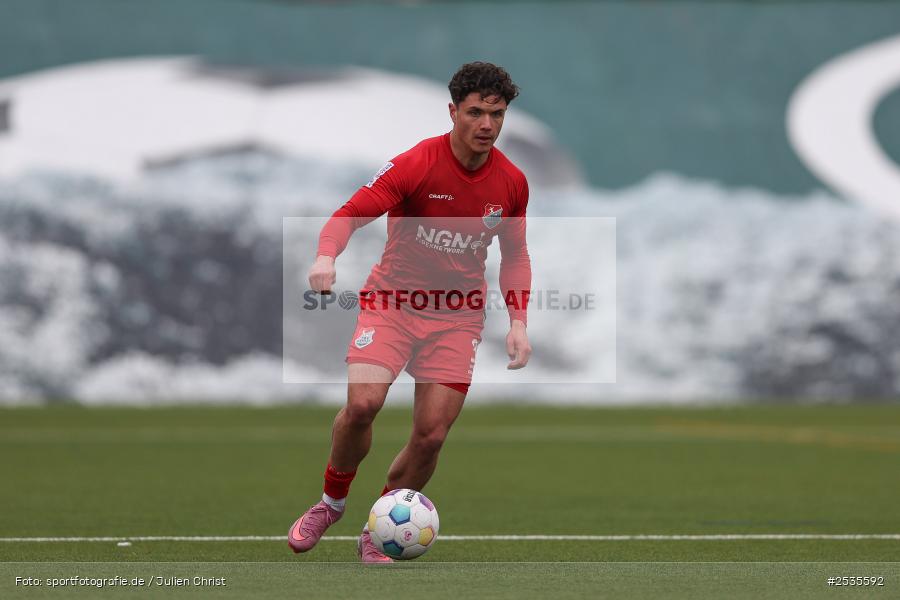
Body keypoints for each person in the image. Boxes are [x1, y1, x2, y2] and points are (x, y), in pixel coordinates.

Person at [288, 61, 532, 563]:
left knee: (431, 435)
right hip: (393, 304)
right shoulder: (416, 164)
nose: (487, 125)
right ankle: (331, 502)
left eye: (498, 114)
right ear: (453, 112)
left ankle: (378, 528)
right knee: (362, 407)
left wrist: (519, 322)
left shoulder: (511, 182)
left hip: (458, 317)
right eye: (476, 113)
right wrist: (325, 256)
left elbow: (516, 256)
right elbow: (349, 213)